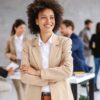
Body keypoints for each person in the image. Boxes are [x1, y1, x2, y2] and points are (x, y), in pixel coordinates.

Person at [20, 0, 73, 100]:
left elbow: (67, 70)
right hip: (34, 97)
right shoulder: (28, 45)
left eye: (52, 17)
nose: (49, 21)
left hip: (60, 96)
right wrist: (53, 78)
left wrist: (37, 73)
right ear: (36, 21)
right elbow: (24, 76)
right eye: (43, 17)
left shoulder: (65, 42)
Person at [5, 19, 27, 100]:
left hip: (25, 68)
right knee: (20, 91)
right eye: (21, 28)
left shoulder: (28, 40)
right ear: (15, 28)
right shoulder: (10, 40)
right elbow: (6, 52)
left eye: (24, 28)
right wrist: (10, 55)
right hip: (14, 68)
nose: (23, 30)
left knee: (25, 91)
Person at [89, 22, 100, 91]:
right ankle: (94, 86)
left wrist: (94, 50)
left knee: (96, 71)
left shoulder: (94, 36)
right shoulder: (94, 36)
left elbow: (91, 45)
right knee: (96, 71)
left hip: (96, 55)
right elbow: (91, 45)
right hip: (96, 56)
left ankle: (94, 86)